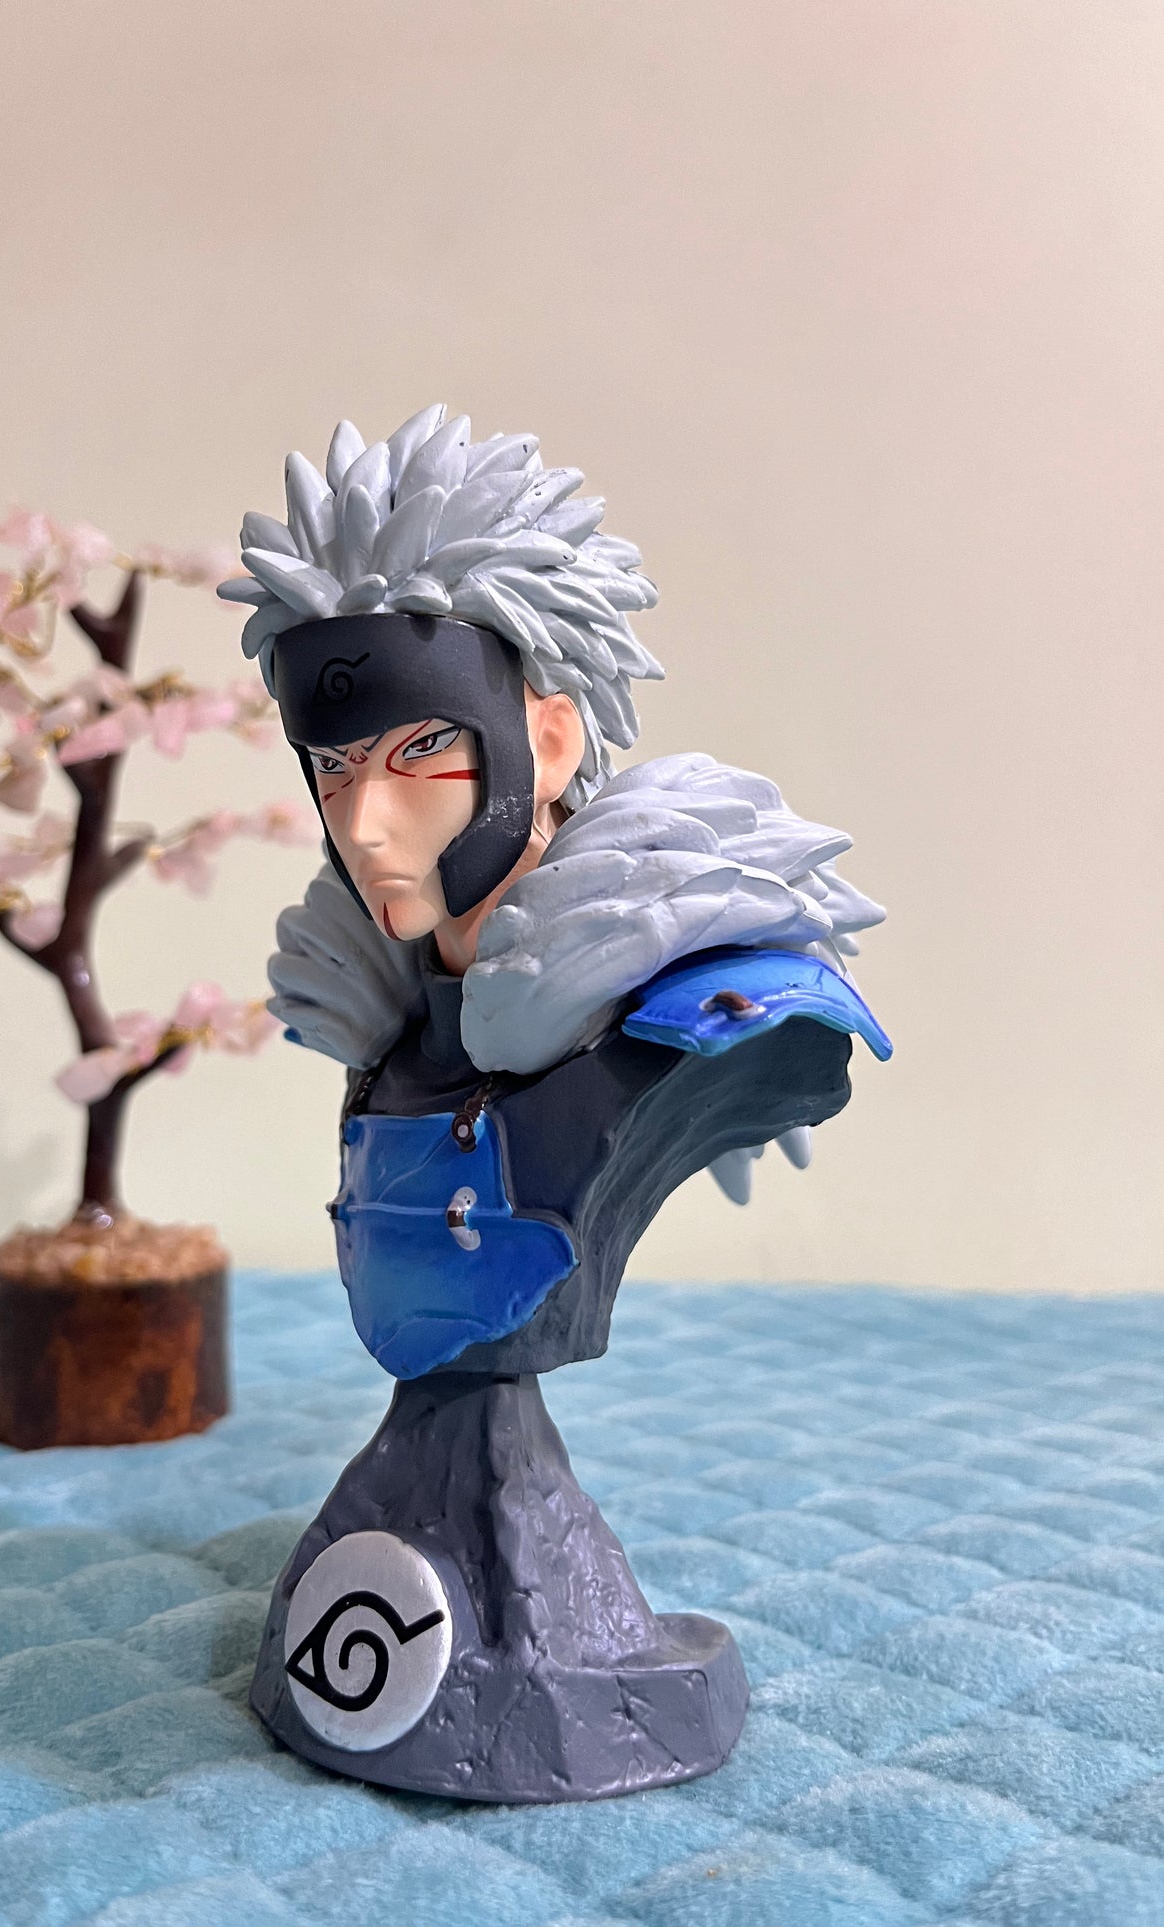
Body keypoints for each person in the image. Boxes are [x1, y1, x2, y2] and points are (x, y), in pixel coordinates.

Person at [220, 405, 890, 1801]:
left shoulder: (686, 1013)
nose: (365, 821)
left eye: (422, 751)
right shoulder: (382, 1010)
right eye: (333, 765)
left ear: (549, 733)